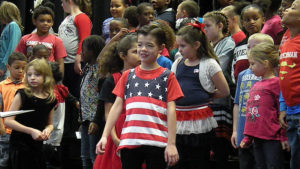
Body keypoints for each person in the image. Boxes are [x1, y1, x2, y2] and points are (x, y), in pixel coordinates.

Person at [96, 24, 183, 169]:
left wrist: (172, 143)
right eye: (140, 45)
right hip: (130, 141)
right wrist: (105, 135)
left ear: (161, 48)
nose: (143, 49)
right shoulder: (127, 75)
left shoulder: (167, 76)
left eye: (149, 45)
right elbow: (116, 106)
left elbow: (172, 111)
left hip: (157, 141)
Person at [171, 24, 230, 169]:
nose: (179, 49)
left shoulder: (209, 64)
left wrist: (206, 97)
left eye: (183, 46)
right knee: (179, 160)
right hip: (178, 119)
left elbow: (225, 91)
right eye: (178, 45)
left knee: (199, 159)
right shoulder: (178, 62)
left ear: (196, 44)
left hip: (199, 120)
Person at [93, 33, 140, 169]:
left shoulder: (146, 77)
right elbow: (108, 113)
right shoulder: (112, 79)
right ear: (122, 55)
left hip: (138, 127)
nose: (140, 54)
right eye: (135, 52)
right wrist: (114, 138)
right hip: (119, 130)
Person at [239, 43, 286, 169]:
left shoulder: (276, 83)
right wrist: (248, 137)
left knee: (273, 165)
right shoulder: (255, 85)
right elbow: (251, 115)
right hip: (256, 138)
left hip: (272, 137)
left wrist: (283, 137)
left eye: (253, 64)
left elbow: (280, 111)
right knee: (260, 165)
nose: (250, 67)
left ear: (265, 63)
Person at [5, 58, 57, 169]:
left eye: (37, 75)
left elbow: (50, 123)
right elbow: (8, 121)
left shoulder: (50, 98)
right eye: (29, 75)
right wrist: (31, 131)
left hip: (37, 146)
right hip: (20, 145)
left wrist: (48, 130)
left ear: (46, 76)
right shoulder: (22, 94)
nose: (32, 77)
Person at [232, 33, 274, 169]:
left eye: (255, 47)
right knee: (245, 163)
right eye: (248, 47)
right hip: (244, 130)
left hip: (265, 132)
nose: (250, 51)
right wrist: (235, 131)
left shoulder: (273, 76)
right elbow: (237, 104)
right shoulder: (243, 75)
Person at [203, 10, 235, 169]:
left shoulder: (228, 43)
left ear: (220, 25)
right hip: (206, 102)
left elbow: (218, 69)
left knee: (220, 146)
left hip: (221, 101)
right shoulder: (207, 45)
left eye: (208, 26)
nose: (205, 29)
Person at [278, 1, 300, 168]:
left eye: (292, 8)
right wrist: (283, 107)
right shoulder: (286, 43)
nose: (285, 10)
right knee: (295, 159)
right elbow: (283, 77)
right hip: (291, 113)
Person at [15, 6, 66, 75]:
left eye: (48, 21)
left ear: (52, 23)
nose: (45, 23)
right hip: (28, 76)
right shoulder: (25, 39)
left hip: (49, 76)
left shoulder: (57, 41)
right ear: (34, 21)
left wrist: (59, 81)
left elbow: (60, 63)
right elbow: (18, 59)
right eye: (42, 20)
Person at [80, 35, 105, 169]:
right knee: (85, 157)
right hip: (85, 119)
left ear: (94, 51)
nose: (81, 53)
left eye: (83, 50)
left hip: (95, 120)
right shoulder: (88, 68)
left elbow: (102, 55)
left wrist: (116, 37)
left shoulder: (99, 69)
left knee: (95, 156)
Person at [58, 0, 92, 98]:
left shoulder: (82, 17)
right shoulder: (68, 18)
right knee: (65, 93)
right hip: (64, 62)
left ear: (69, 1)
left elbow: (84, 39)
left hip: (74, 62)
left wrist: (78, 58)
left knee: (75, 93)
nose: (61, 5)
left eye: (62, 2)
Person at [0, 52, 27, 169]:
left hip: (23, 132)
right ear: (8, 67)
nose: (20, 71)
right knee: (4, 162)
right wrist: (2, 130)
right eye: (17, 68)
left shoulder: (28, 86)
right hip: (5, 131)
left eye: (23, 68)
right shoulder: (1, 86)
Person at [231, 4, 265, 83]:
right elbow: (234, 69)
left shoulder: (268, 42)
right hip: (242, 88)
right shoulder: (239, 46)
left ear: (263, 20)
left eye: (255, 18)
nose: (251, 22)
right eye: (247, 20)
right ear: (242, 23)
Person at [0, 1, 23, 81]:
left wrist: (4, 66)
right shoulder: (6, 27)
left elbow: (12, 48)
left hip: (8, 66)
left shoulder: (13, 26)